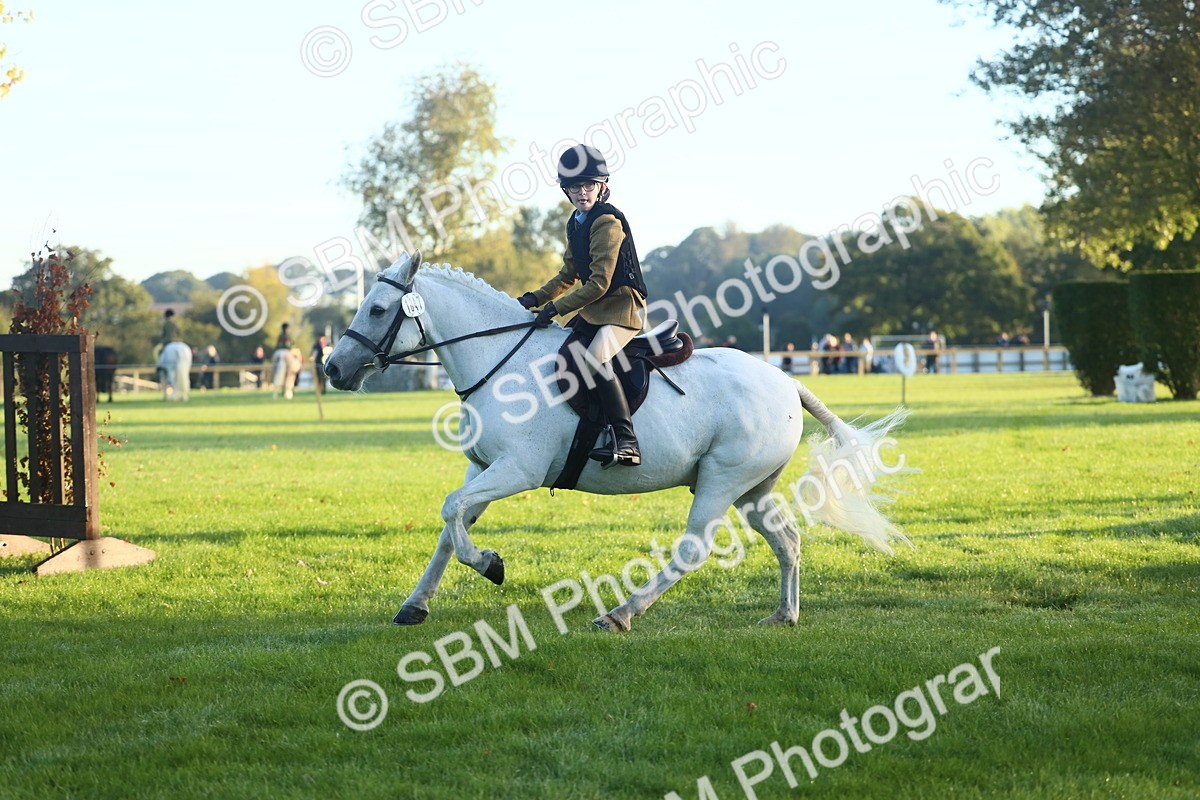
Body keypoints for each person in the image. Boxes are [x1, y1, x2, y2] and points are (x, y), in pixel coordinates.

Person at [517, 144, 648, 467]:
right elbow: (568, 274)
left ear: (602, 187)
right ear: (566, 190)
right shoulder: (575, 222)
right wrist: (534, 298)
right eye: (575, 186)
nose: (582, 192)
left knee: (594, 358)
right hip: (595, 311)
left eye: (589, 185)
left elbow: (600, 283)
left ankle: (627, 440)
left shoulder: (607, 223)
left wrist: (555, 309)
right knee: (559, 352)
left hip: (622, 309)